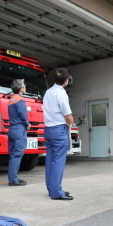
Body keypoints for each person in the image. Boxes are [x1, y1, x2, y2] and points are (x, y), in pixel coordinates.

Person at [43, 68, 74, 200]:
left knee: (50, 160)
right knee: (59, 161)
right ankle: (56, 192)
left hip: (48, 129)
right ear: (66, 81)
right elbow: (67, 115)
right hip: (59, 129)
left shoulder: (48, 92)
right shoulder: (61, 94)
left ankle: (53, 188)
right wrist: (71, 122)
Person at [8, 79, 31, 186]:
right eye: (24, 85)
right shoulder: (20, 99)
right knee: (17, 155)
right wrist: (27, 123)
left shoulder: (11, 99)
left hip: (12, 128)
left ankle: (13, 178)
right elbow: (22, 113)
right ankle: (13, 180)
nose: (25, 87)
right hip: (19, 129)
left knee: (13, 155)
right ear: (21, 88)